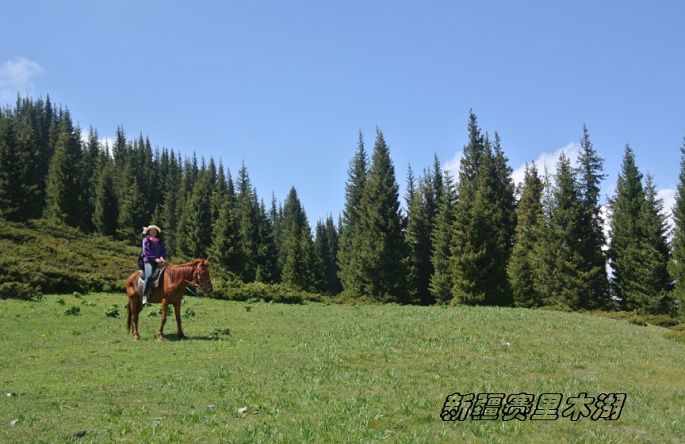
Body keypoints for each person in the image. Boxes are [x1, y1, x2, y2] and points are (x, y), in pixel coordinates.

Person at [141, 224, 168, 305]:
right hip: (148, 261)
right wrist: (155, 259)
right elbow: (146, 252)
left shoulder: (159, 242)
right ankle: (145, 295)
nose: (153, 232)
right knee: (149, 276)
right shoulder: (146, 240)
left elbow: (163, 251)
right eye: (152, 231)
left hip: (158, 262)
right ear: (149, 232)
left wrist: (162, 258)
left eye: (155, 231)